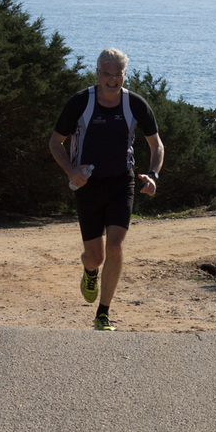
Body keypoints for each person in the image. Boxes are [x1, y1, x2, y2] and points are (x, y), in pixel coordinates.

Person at [49, 48, 164, 331]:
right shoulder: (80, 102)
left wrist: (153, 175)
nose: (112, 80)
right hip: (87, 184)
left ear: (125, 74)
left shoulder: (135, 104)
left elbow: (156, 145)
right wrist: (71, 171)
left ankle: (103, 312)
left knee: (115, 247)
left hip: (121, 182)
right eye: (107, 74)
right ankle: (89, 270)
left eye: (118, 74)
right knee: (96, 256)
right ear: (98, 73)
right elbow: (55, 142)